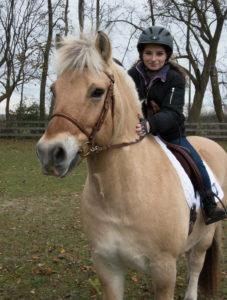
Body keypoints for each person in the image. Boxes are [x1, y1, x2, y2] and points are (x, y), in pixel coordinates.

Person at [128, 26, 227, 225]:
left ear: (167, 55)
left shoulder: (175, 78)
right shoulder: (132, 74)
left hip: (170, 133)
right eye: (148, 53)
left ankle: (208, 202)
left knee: (194, 159)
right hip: (138, 132)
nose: (153, 58)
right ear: (141, 53)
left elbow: (172, 112)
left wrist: (151, 124)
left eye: (159, 53)